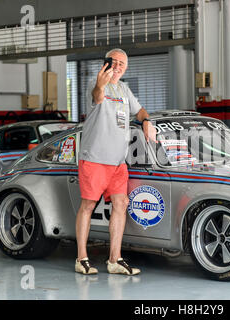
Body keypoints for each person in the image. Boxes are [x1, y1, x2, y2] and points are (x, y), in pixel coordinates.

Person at [75, 48, 156, 276]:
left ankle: (114, 260)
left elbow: (139, 111)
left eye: (122, 63)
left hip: (118, 163)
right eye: (114, 62)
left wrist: (147, 121)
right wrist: (101, 84)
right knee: (88, 206)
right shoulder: (96, 82)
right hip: (94, 159)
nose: (118, 66)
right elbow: (97, 96)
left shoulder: (124, 89)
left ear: (126, 67)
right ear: (106, 63)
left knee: (121, 205)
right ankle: (81, 259)